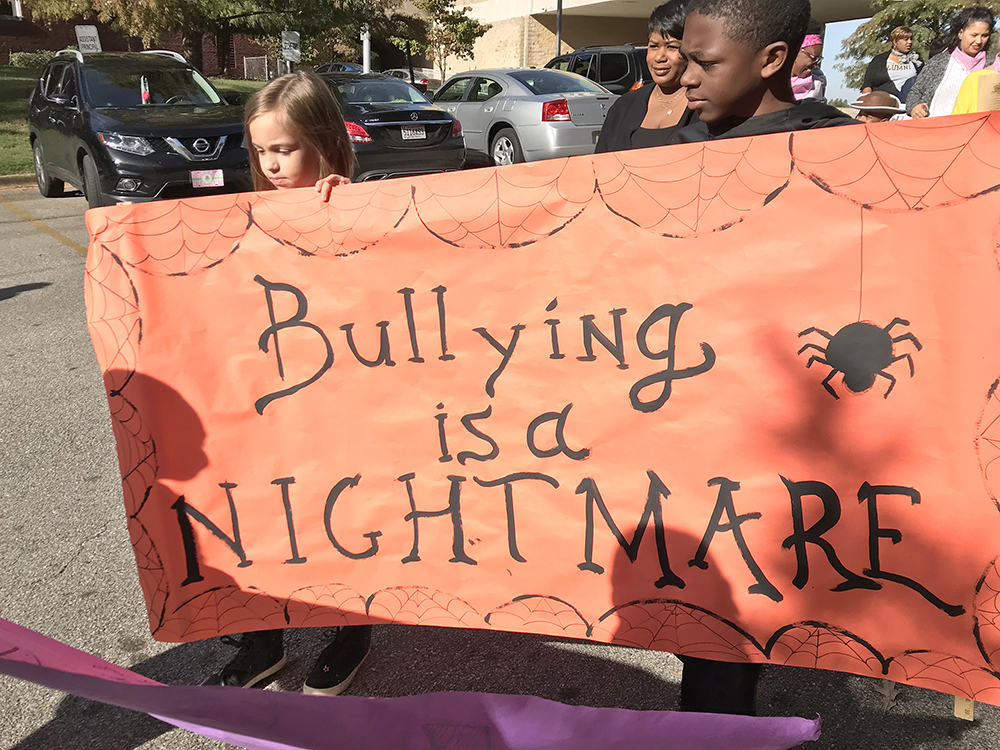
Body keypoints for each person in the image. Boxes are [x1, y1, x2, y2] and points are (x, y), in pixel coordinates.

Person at [202, 69, 371, 696]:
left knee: (345, 512)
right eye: (260, 151)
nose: (271, 164)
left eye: (285, 149)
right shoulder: (248, 219)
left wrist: (353, 211)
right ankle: (263, 639)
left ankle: (351, 629)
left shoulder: (361, 206)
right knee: (264, 515)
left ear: (324, 142)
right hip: (267, 401)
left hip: (340, 400)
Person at [668, 0, 855, 145]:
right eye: (686, 60)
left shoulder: (847, 144)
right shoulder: (685, 144)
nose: (686, 79)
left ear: (772, 59)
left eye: (706, 63)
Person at [595, 0, 698, 152]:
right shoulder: (623, 107)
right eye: (654, 46)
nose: (659, 57)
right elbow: (600, 161)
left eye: (671, 47)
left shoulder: (706, 107)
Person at [907, 5, 996, 118]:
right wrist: (915, 107)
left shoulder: (993, 66)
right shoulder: (938, 62)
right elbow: (915, 92)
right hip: (935, 126)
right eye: (974, 35)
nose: (979, 41)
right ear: (960, 33)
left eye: (984, 35)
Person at [861, 26, 923, 101]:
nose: (909, 42)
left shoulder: (916, 60)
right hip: (884, 103)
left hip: (909, 102)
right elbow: (867, 86)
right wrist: (867, 102)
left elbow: (924, 81)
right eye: (906, 39)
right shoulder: (879, 60)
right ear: (895, 42)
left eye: (911, 39)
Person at [790, 19, 826, 102]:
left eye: (818, 59)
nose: (815, 65)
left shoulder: (816, 84)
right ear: (795, 52)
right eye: (813, 58)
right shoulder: (771, 82)